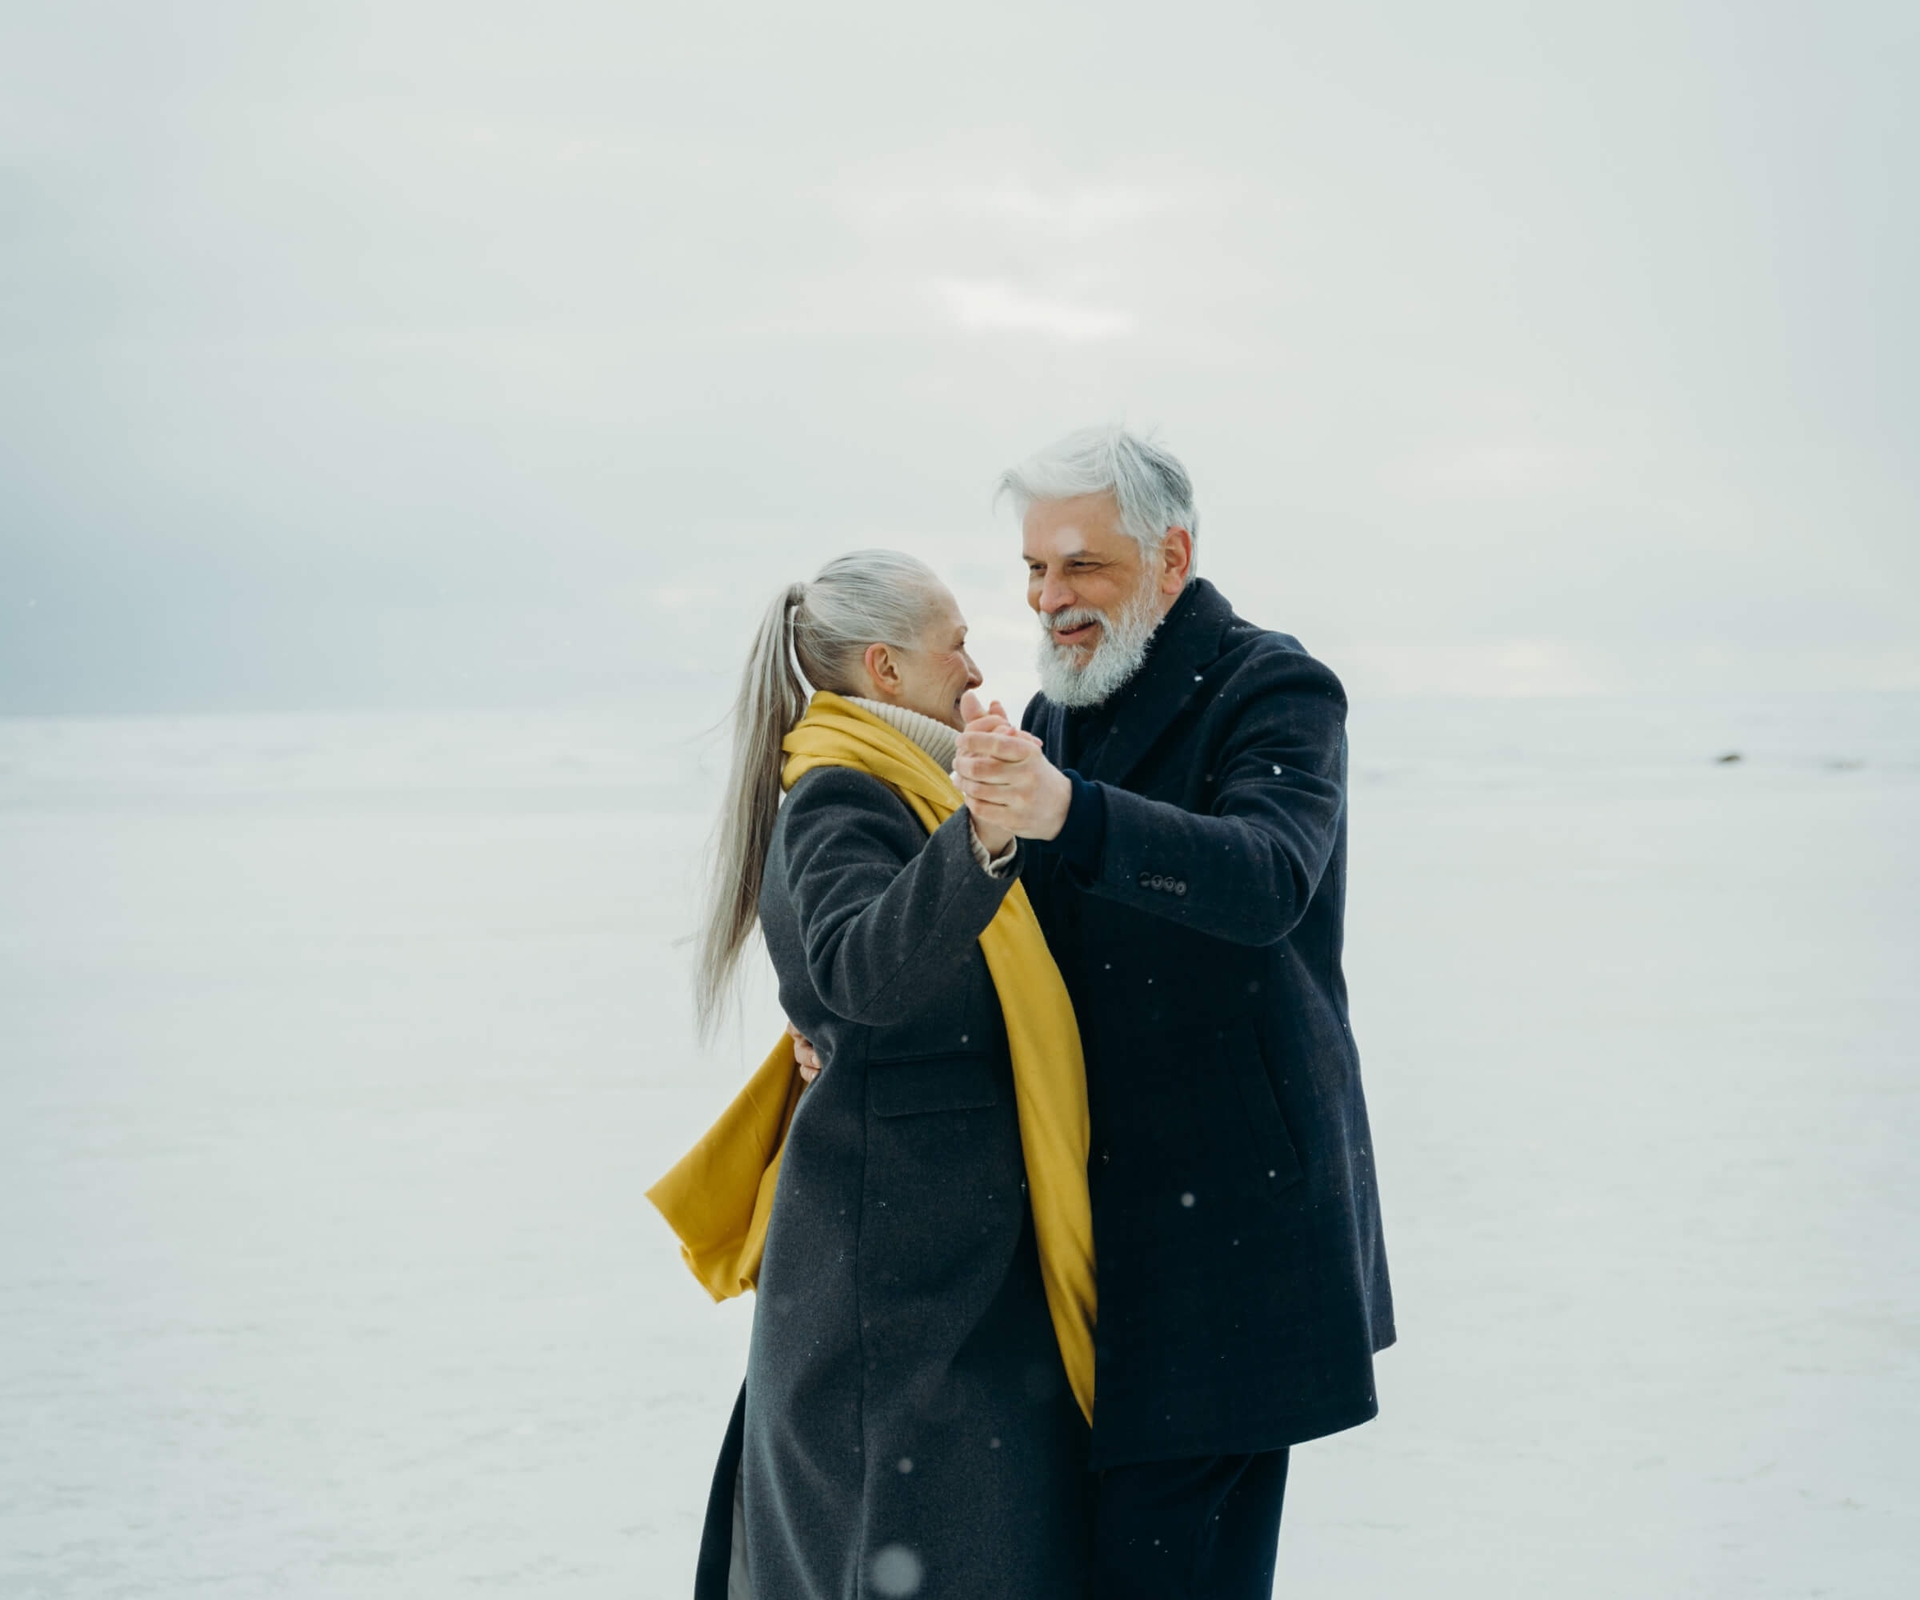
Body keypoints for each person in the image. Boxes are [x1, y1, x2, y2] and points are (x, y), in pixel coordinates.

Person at [823, 427, 1396, 1597]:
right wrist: (853, 1030)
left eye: (1081, 566)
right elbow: (1019, 949)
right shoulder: (1059, 710)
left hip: (1231, 1234)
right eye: (1035, 570)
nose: (1049, 599)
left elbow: (1264, 877)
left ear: (1172, 557)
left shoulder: (1272, 685)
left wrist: (1069, 811)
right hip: (1088, 1226)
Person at [654, 550, 1096, 1600]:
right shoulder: (842, 793)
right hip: (891, 1271)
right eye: (955, 644)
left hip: (936, 1258)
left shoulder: (910, 782)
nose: (977, 668)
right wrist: (981, 842)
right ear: (886, 668)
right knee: (895, 1552)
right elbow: (860, 970)